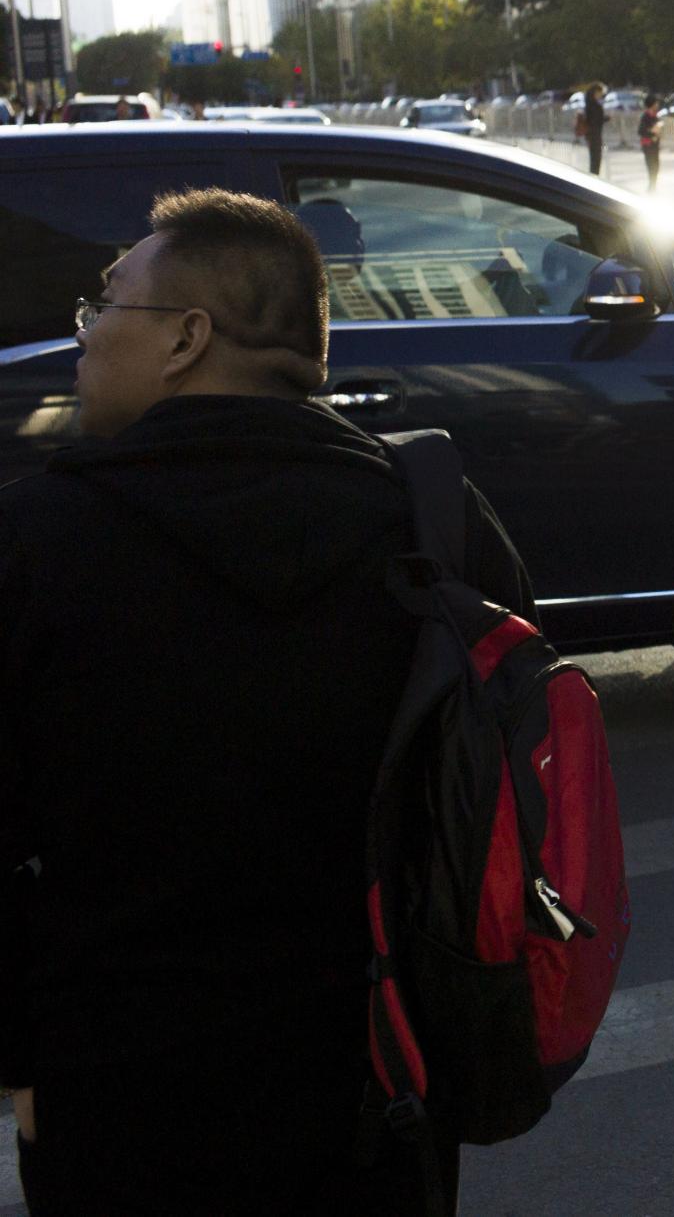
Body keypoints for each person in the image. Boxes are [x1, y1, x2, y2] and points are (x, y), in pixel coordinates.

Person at [0, 188, 533, 1213]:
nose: (84, 336)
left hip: (120, 1099)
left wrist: (26, 1063)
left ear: (185, 338)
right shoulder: (433, 524)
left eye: (103, 305)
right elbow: (501, 792)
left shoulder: (35, 542)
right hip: (381, 1085)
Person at [578, 81, 606, 178]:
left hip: (591, 135)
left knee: (594, 160)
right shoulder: (595, 106)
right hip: (595, 135)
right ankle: (594, 179)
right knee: (595, 160)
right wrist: (605, 118)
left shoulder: (589, 104)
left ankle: (594, 177)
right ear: (596, 92)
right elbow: (595, 121)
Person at [638, 93, 663, 192]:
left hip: (654, 145)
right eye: (656, 103)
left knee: (656, 166)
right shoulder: (646, 116)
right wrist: (652, 134)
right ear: (652, 104)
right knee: (651, 166)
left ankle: (653, 186)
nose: (657, 105)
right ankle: (651, 187)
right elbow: (640, 131)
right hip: (648, 145)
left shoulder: (655, 115)